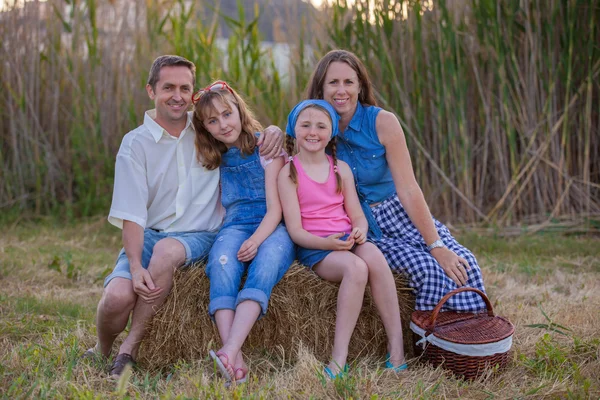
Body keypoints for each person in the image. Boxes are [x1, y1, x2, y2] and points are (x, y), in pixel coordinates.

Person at [83, 55, 284, 379]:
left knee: (168, 252)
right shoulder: (136, 144)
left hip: (198, 234)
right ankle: (102, 348)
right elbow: (132, 214)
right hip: (150, 233)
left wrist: (274, 130)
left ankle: (128, 351)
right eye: (168, 87)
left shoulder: (206, 128)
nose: (176, 95)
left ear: (192, 93)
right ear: (151, 91)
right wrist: (135, 266)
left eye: (184, 88)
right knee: (117, 298)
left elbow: (245, 130)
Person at [304, 49, 487, 312]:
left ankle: (469, 337)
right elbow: (289, 148)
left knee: (463, 261)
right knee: (425, 269)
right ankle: (431, 338)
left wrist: (435, 245)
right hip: (357, 224)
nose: (341, 90)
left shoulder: (383, 122)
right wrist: (272, 133)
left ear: (360, 86)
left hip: (396, 212)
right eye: (333, 82)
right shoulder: (314, 128)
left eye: (348, 82)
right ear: (320, 89)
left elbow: (409, 189)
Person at [278, 99, 407, 378]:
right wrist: (328, 244)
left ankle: (396, 347)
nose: (313, 132)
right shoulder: (288, 173)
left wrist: (359, 230)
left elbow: (356, 215)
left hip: (348, 238)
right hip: (317, 248)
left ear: (332, 132)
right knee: (355, 268)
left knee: (375, 257)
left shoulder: (340, 169)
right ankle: (340, 358)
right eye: (306, 125)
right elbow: (296, 231)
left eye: (321, 126)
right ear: (293, 129)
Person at [192, 81, 295, 386]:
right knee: (221, 262)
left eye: (227, 114)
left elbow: (276, 210)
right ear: (205, 128)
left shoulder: (266, 147)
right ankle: (234, 361)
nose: (223, 124)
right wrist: (242, 237)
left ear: (240, 110)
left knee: (266, 263)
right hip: (235, 225)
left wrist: (256, 240)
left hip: (273, 225)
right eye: (213, 120)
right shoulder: (213, 158)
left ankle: (230, 350)